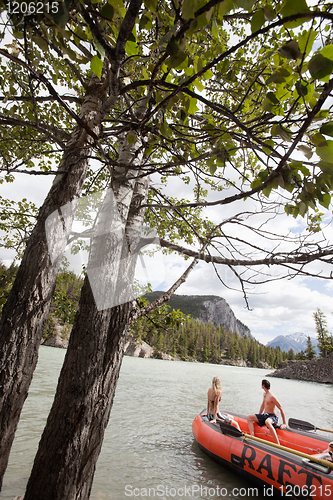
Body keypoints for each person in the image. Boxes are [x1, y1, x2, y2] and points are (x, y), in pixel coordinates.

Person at [247, 379, 286, 445]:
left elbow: (281, 408)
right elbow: (263, 405)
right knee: (249, 417)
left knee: (267, 422)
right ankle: (252, 437)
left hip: (272, 416)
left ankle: (278, 444)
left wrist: (284, 423)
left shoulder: (272, 396)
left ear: (263, 385)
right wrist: (258, 415)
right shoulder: (264, 394)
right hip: (265, 415)